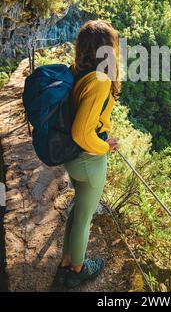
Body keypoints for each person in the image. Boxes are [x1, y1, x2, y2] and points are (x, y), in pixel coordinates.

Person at [54, 19, 120, 288]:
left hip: (73, 157)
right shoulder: (101, 80)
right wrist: (105, 147)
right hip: (88, 158)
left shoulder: (78, 71)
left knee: (78, 210)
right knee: (85, 216)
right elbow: (83, 132)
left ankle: (66, 261)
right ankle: (78, 269)